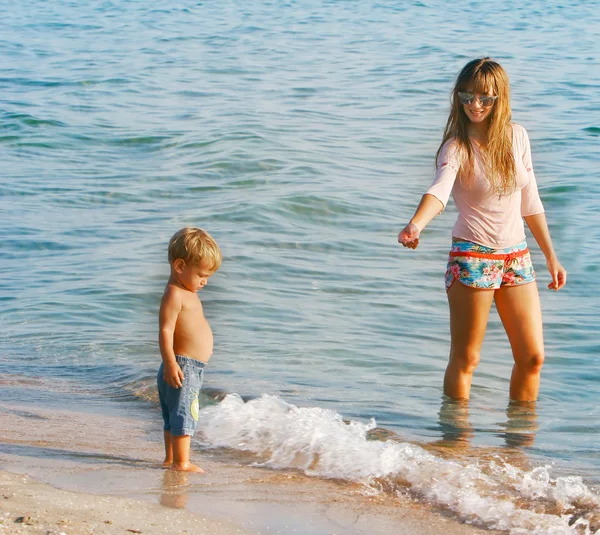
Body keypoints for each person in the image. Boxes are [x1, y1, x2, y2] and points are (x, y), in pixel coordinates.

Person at [398, 58, 567, 402]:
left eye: (485, 98)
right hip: (473, 256)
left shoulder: (517, 137)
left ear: (500, 98)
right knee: (467, 359)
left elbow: (530, 202)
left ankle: (519, 449)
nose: (475, 105)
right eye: (468, 97)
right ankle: (454, 444)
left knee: (533, 357)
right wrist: (416, 224)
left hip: (517, 257)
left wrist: (551, 256)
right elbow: (439, 190)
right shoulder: (456, 147)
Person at [157, 227, 222, 472]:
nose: (205, 281)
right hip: (183, 366)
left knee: (173, 414)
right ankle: (181, 463)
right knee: (185, 414)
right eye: (202, 275)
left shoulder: (183, 290)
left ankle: (171, 459)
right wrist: (172, 363)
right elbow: (166, 330)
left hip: (182, 365)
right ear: (180, 266)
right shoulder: (175, 294)